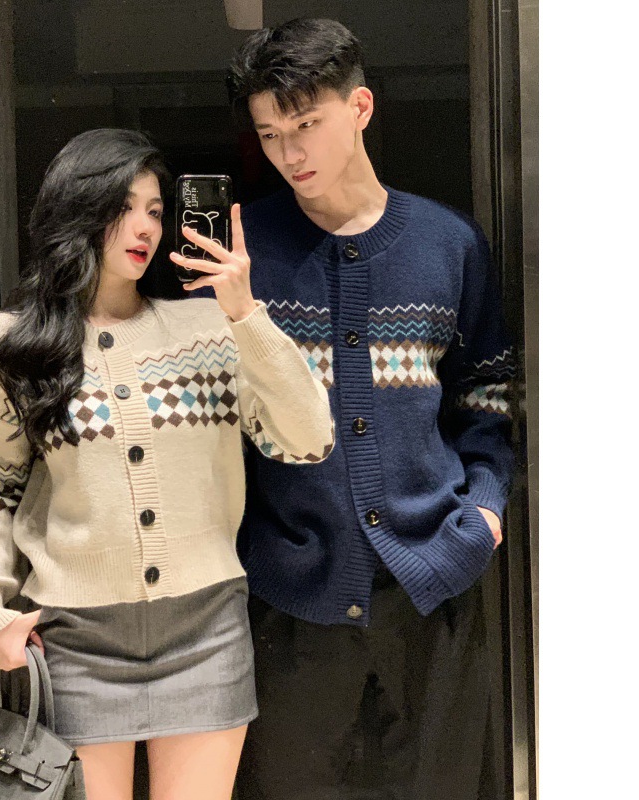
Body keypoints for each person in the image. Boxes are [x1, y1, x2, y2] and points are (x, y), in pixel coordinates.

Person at [0, 128, 334, 800]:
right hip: (73, 641)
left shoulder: (209, 330)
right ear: (77, 210)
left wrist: (244, 311)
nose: (145, 228)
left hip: (205, 633)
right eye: (123, 208)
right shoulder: (10, 346)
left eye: (156, 211)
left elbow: (309, 440)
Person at [195, 17, 516, 800]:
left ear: (360, 107)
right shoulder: (245, 252)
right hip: (289, 599)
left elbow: (488, 397)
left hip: (434, 584)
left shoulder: (448, 243)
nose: (289, 153)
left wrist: (483, 513)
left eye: (306, 124)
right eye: (270, 134)